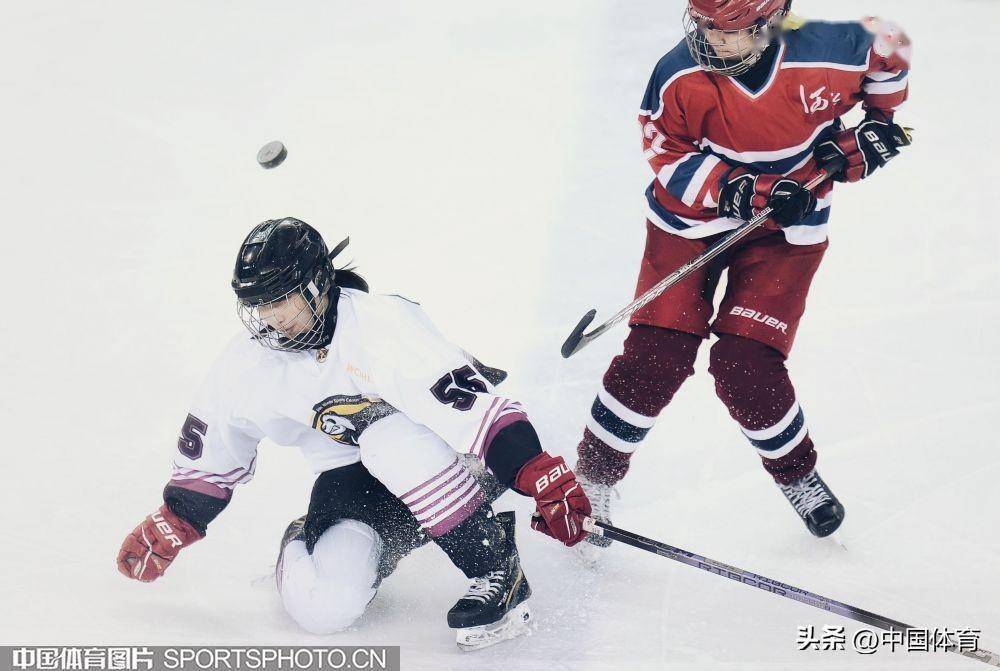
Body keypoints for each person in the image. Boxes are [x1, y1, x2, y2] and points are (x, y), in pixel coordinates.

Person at [116, 218, 592, 650]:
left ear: (319, 284)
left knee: (388, 440)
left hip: (450, 459)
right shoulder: (248, 365)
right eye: (259, 305)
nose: (272, 319)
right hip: (355, 483)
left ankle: (493, 563)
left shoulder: (382, 324)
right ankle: (355, 539)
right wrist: (178, 518)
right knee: (322, 610)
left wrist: (535, 472)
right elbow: (215, 443)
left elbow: (478, 411)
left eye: (282, 300)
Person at [574, 0, 912, 544]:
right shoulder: (676, 74)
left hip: (788, 229)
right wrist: (740, 189)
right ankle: (592, 479)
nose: (713, 40)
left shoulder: (831, 47)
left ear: (770, 22)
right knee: (655, 357)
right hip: (691, 225)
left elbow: (890, 45)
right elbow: (667, 155)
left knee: (745, 364)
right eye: (704, 25)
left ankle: (798, 475)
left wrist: (877, 125)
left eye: (728, 30)